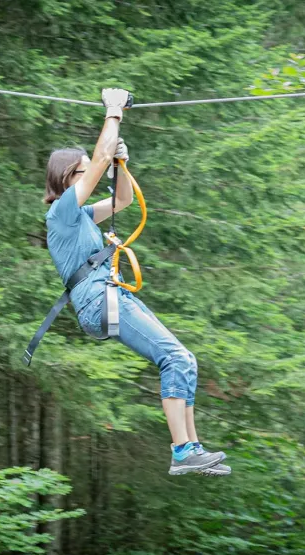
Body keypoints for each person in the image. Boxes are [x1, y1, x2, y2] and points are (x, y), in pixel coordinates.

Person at [42, 88, 230, 476]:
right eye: (83, 172)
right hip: (98, 300)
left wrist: (121, 166)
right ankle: (182, 451)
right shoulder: (61, 213)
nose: (91, 174)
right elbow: (97, 160)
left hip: (106, 297)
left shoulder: (78, 217)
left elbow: (122, 202)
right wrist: (113, 114)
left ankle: (191, 447)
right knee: (174, 359)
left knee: (185, 359)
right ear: (67, 177)